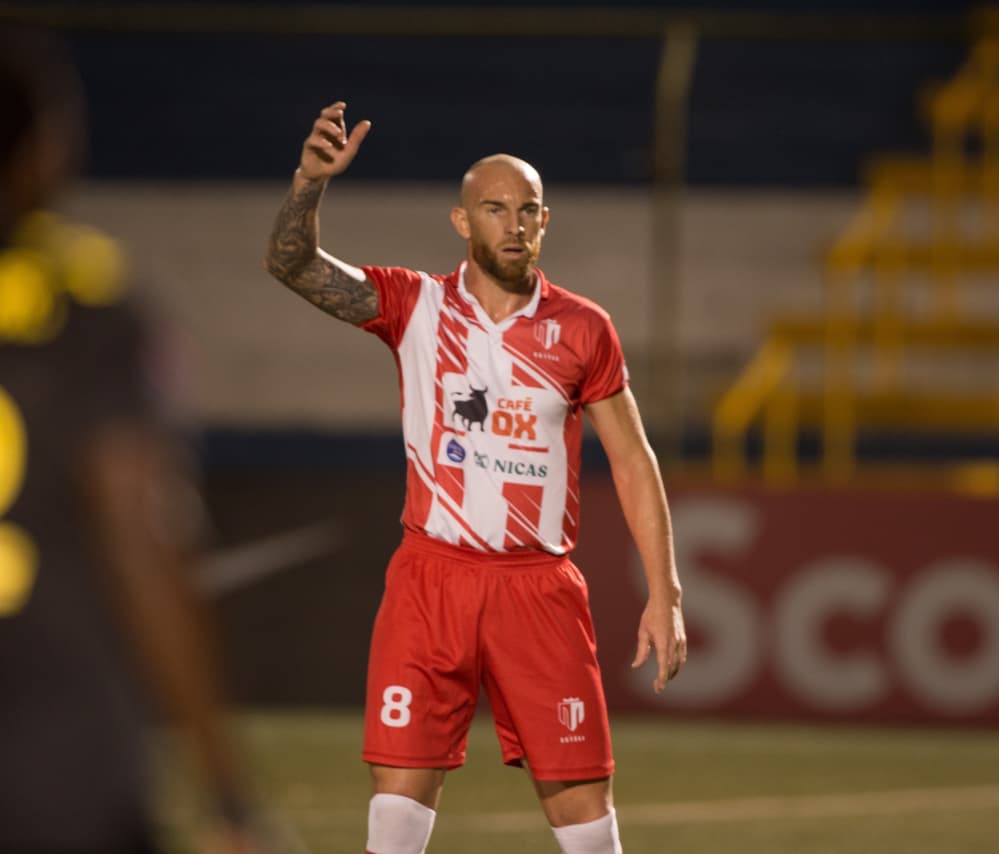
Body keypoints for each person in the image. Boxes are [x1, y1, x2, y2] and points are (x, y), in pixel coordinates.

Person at [264, 101, 688, 854]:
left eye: (528, 210)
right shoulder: (414, 305)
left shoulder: (584, 328)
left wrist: (667, 592)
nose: (513, 224)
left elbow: (632, 458)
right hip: (432, 581)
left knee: (587, 820)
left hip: (540, 590)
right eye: (494, 208)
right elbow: (291, 265)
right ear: (462, 222)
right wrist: (308, 184)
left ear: (546, 221)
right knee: (394, 815)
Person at [0, 26, 258, 853]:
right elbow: (141, 536)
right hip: (55, 758)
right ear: (41, 146)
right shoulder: (87, 300)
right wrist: (226, 790)